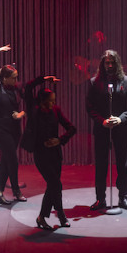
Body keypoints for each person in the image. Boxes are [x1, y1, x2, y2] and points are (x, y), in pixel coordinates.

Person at [86, 50, 127, 211]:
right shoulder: (94, 82)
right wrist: (102, 121)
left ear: (117, 64)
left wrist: (120, 118)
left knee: (123, 164)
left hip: (120, 129)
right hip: (102, 129)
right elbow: (90, 107)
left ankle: (123, 198)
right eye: (106, 63)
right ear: (102, 64)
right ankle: (100, 199)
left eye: (112, 63)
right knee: (101, 165)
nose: (109, 65)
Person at [24, 76, 76, 230]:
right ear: (42, 101)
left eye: (54, 100)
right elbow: (28, 87)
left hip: (55, 154)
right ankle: (60, 215)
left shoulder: (56, 110)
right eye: (51, 100)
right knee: (56, 184)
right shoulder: (34, 110)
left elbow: (72, 128)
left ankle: (41, 217)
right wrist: (43, 79)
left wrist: (60, 140)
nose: (54, 103)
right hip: (41, 155)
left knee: (52, 186)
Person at [0, 45, 27, 204]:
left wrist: (21, 114)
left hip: (15, 130)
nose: (16, 80)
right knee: (12, 160)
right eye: (13, 77)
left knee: (7, 161)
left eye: (17, 77)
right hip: (2, 130)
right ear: (4, 78)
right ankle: (16, 191)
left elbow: (26, 106)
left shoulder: (16, 89)